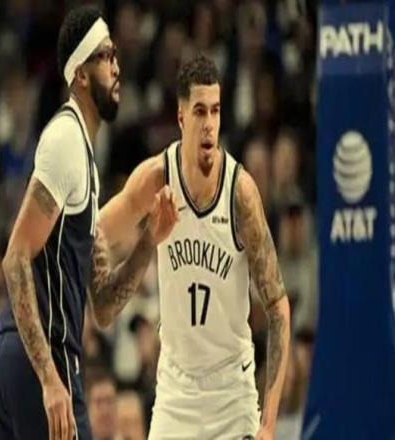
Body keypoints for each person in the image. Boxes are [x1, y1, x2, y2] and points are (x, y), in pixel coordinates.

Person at [0, 6, 177, 440]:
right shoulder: (66, 138)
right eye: (105, 55)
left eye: (115, 55)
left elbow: (104, 306)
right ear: (80, 75)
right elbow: (15, 258)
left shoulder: (84, 161)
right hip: (40, 359)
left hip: (17, 359)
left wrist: (149, 239)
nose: (117, 66)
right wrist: (50, 380)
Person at [99, 54, 290, 439]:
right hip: (176, 391)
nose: (209, 124)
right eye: (200, 111)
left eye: (216, 111)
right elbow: (95, 232)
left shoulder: (240, 193)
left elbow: (278, 308)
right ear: (181, 117)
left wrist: (269, 422)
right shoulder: (157, 178)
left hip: (231, 392)